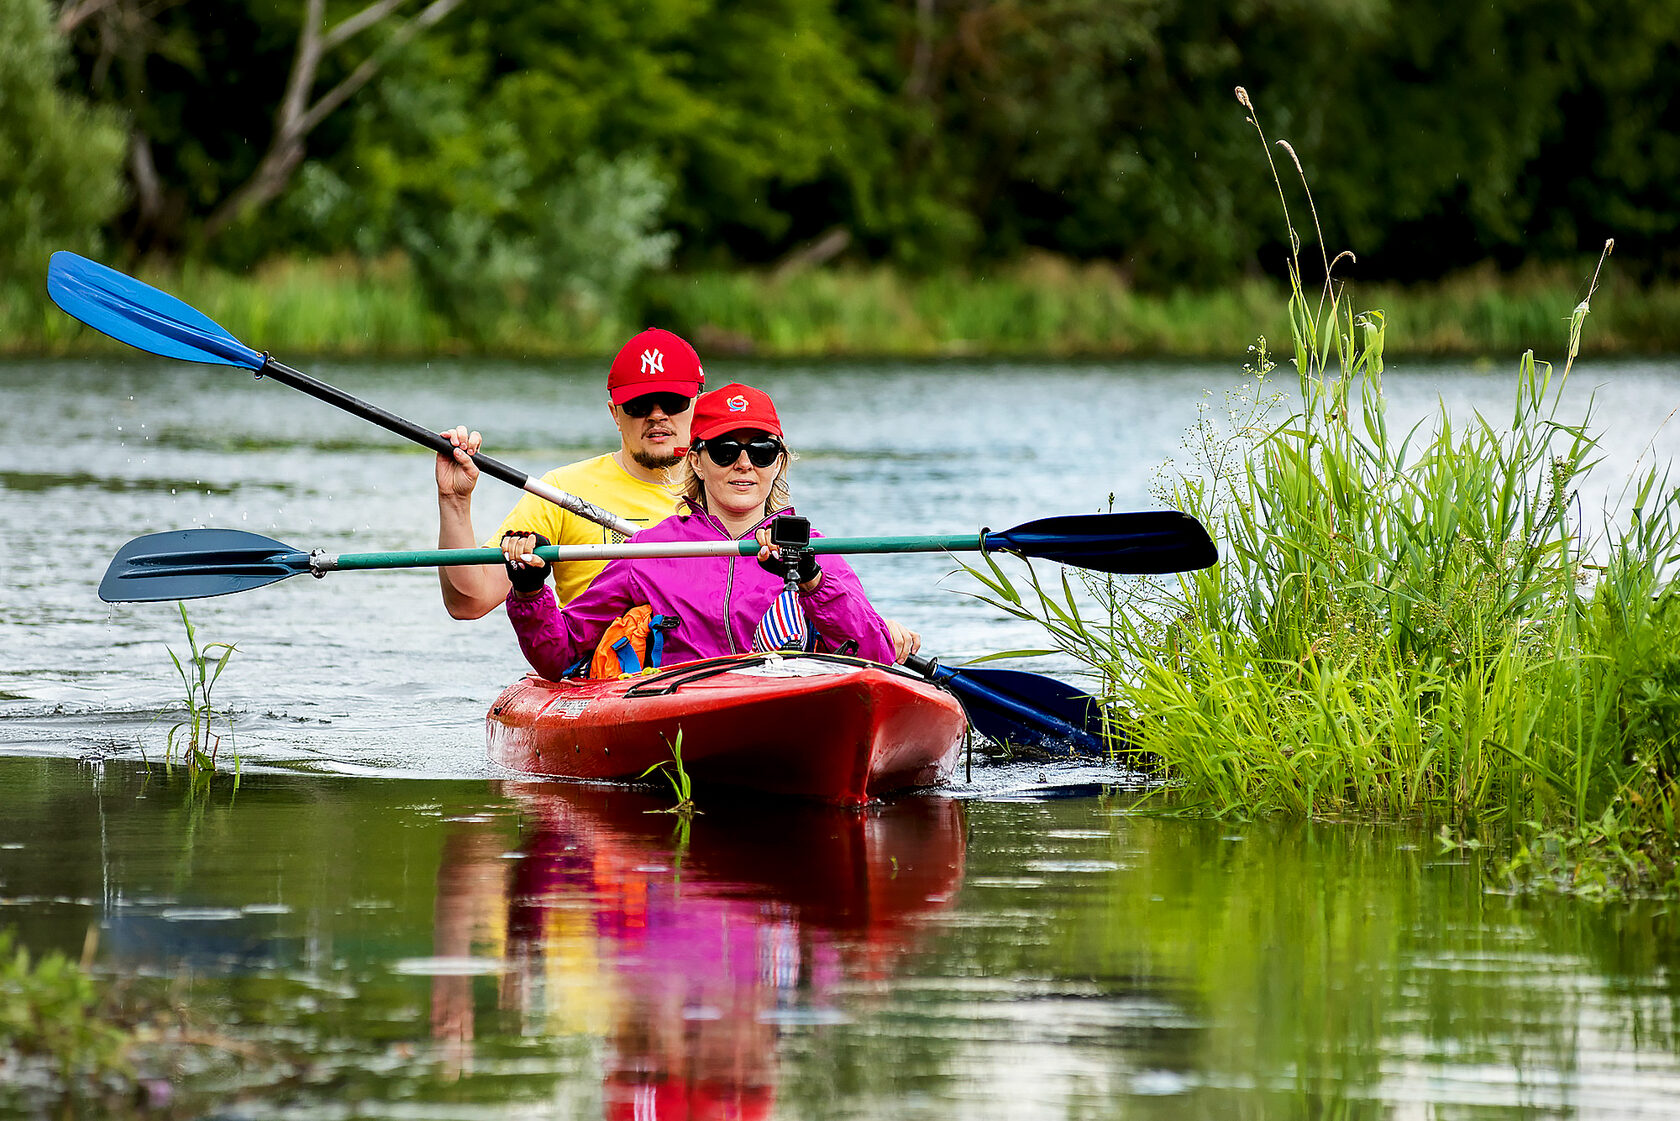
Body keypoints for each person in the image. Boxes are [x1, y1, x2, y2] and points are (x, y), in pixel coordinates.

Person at [500, 383, 898, 674]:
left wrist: (810, 579)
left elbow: (876, 657)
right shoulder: (648, 552)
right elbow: (561, 656)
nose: (744, 464)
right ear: (696, 462)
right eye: (726, 451)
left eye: (761, 451)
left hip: (787, 701)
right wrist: (530, 591)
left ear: (778, 463)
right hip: (683, 712)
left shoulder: (816, 552)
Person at [436, 327, 704, 616]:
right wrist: (454, 502)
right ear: (615, 414)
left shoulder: (737, 488)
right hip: (601, 658)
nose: (656, 415)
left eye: (673, 402)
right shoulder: (561, 490)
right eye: (638, 405)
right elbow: (468, 602)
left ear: (700, 406)